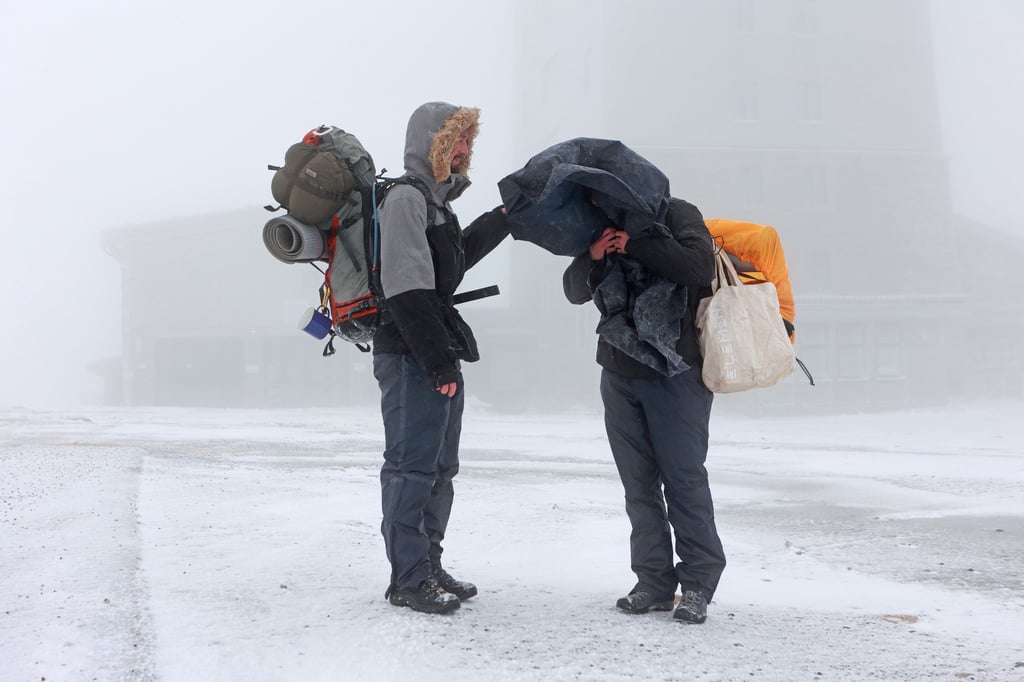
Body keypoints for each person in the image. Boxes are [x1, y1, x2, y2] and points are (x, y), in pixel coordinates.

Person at [562, 197, 726, 624]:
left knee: (684, 480)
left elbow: (698, 267)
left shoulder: (678, 214)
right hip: (618, 372)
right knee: (638, 486)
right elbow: (574, 289)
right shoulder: (600, 226)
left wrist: (635, 245)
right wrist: (595, 254)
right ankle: (653, 582)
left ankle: (697, 586)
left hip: (676, 372)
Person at [373, 102, 509, 614]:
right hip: (411, 353)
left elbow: (453, 263)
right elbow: (407, 289)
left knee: (440, 469)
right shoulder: (406, 199)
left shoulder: (439, 203)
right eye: (458, 139)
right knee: (411, 469)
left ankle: (427, 564)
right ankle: (408, 579)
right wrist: (437, 363)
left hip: (435, 346)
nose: (466, 149)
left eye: (469, 141)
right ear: (433, 142)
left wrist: (502, 219)